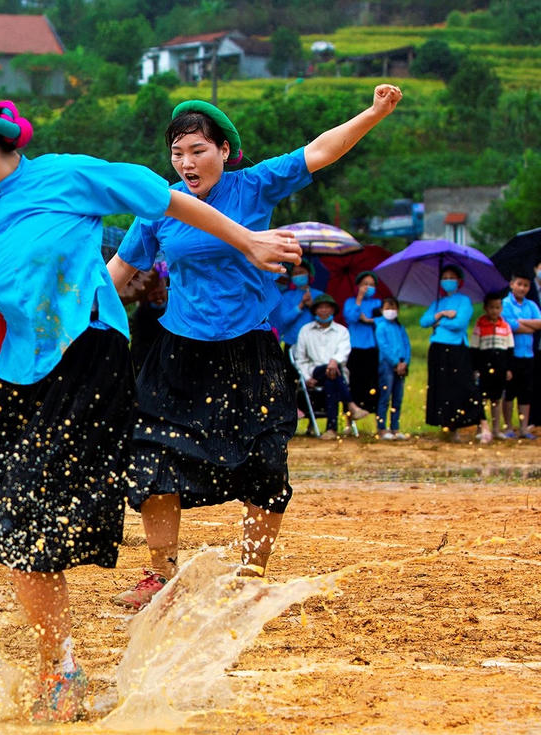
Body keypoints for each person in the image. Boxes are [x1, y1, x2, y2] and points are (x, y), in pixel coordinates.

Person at [0, 91, 300, 721]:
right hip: (16, 377)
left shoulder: (68, 175)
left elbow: (164, 198)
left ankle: (59, 669)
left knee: (24, 526)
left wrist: (249, 241)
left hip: (87, 363)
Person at [109, 85, 402, 612]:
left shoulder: (253, 186)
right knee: (152, 455)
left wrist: (374, 113)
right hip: (177, 350)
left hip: (249, 347)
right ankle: (160, 576)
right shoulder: (157, 207)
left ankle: (249, 576)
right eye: (177, 153)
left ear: (224, 150)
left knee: (266, 462)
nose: (186, 162)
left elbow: (321, 150)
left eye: (198, 150)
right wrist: (58, 317)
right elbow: (118, 274)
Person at [421, 266, 487, 441]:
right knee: (442, 388)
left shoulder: (464, 301)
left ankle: (482, 423)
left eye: (452, 277)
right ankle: (449, 428)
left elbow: (459, 324)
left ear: (459, 281)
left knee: (465, 385)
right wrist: (442, 314)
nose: (448, 280)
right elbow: (424, 321)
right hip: (437, 348)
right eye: (445, 277)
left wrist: (438, 322)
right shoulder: (437, 302)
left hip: (457, 348)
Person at [292, 295, 369, 439]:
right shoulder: (305, 331)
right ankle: (350, 405)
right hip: (314, 372)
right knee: (330, 372)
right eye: (321, 307)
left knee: (331, 379)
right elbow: (300, 359)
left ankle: (331, 429)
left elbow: (343, 352)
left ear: (333, 310)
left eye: (327, 307)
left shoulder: (342, 331)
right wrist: (307, 377)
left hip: (337, 373)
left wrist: (334, 361)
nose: (324, 311)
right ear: (315, 311)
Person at [500, 274, 541, 439]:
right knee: (510, 391)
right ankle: (509, 426)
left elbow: (539, 323)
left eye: (526, 285)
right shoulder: (505, 303)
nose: (522, 288)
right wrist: (528, 325)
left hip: (528, 354)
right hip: (511, 353)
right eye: (519, 284)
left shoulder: (531, 304)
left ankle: (524, 428)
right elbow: (510, 325)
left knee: (525, 391)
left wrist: (521, 322)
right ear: (512, 284)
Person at [470, 292, 514, 441]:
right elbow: (474, 348)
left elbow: (510, 349)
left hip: (500, 368)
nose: (494, 310)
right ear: (485, 308)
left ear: (501, 308)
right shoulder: (480, 324)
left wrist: (508, 368)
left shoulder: (505, 326)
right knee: (481, 398)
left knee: (496, 399)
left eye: (497, 307)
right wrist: (475, 368)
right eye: (491, 307)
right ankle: (481, 427)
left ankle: (496, 429)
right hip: (483, 368)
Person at [342, 270, 382, 419]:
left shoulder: (377, 303)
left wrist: (369, 321)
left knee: (373, 383)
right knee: (353, 382)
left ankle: (378, 419)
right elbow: (351, 317)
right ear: (358, 285)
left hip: (372, 347)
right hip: (354, 347)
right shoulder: (350, 302)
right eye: (365, 284)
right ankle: (349, 419)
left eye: (371, 285)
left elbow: (383, 320)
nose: (368, 287)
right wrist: (359, 298)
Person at [374, 295, 411, 440]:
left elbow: (407, 345)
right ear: (382, 310)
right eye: (387, 307)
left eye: (393, 307)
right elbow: (383, 347)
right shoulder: (381, 327)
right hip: (387, 366)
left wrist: (405, 362)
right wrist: (395, 363)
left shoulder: (400, 327)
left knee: (398, 397)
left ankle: (395, 427)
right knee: (385, 396)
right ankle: (382, 428)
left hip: (401, 365)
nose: (391, 310)